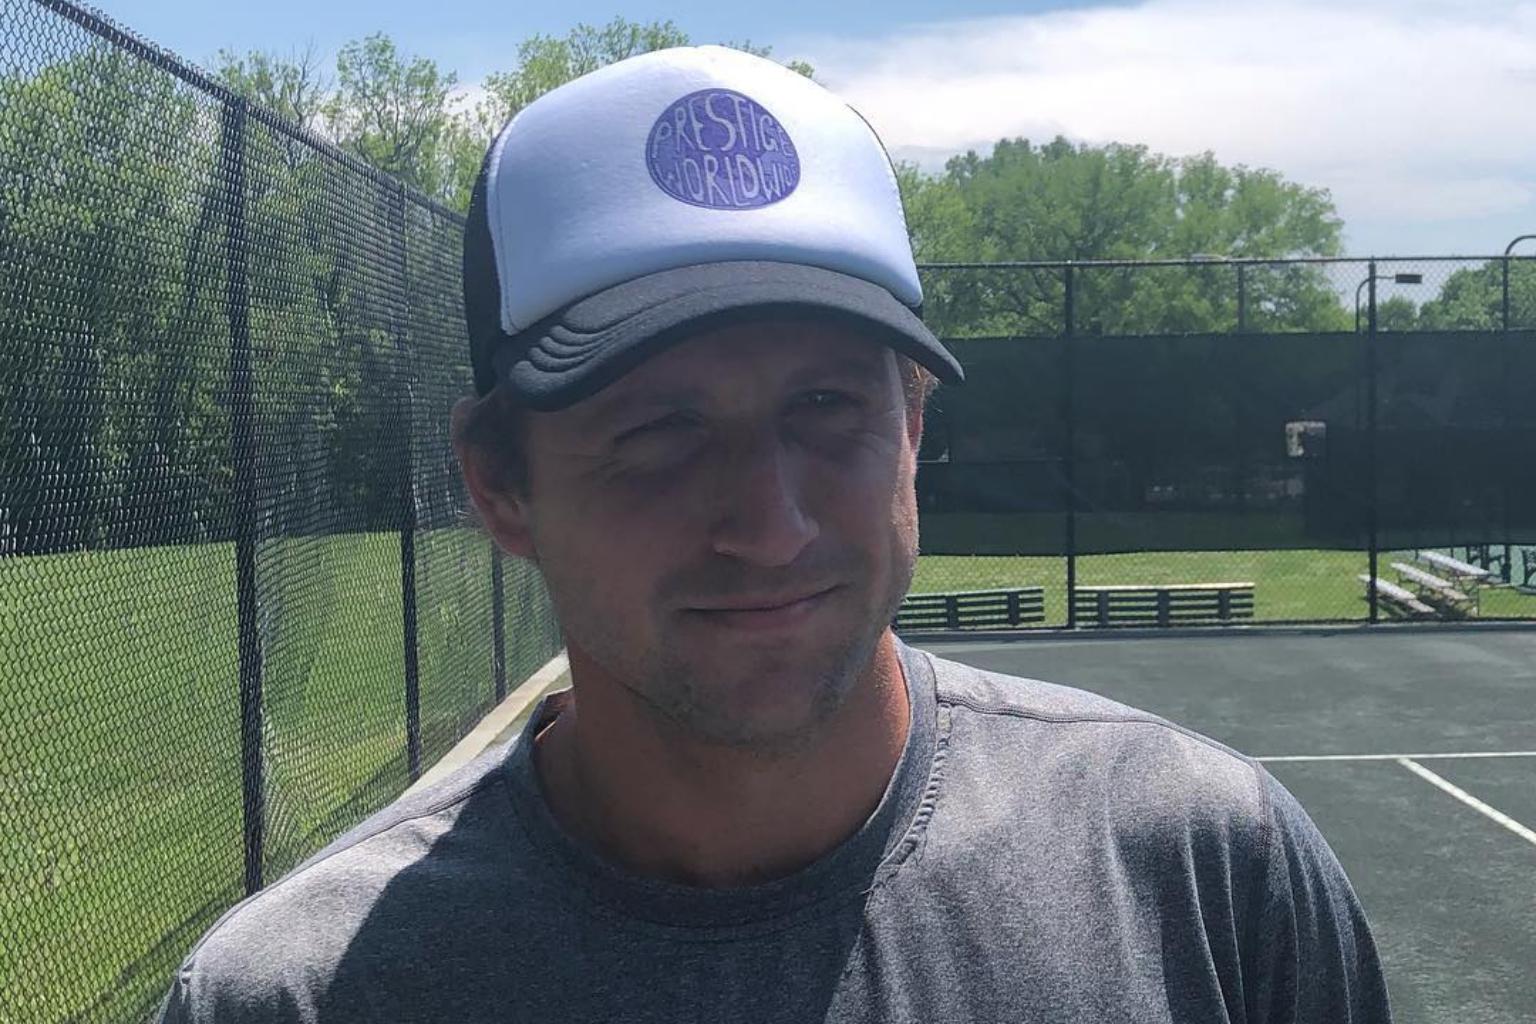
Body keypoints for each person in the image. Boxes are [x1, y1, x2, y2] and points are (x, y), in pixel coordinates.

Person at [158, 45, 1392, 1023]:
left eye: (827, 407)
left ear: (913, 424)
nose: (772, 523)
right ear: (499, 482)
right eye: (660, 429)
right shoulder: (299, 994)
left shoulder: (1203, 871)